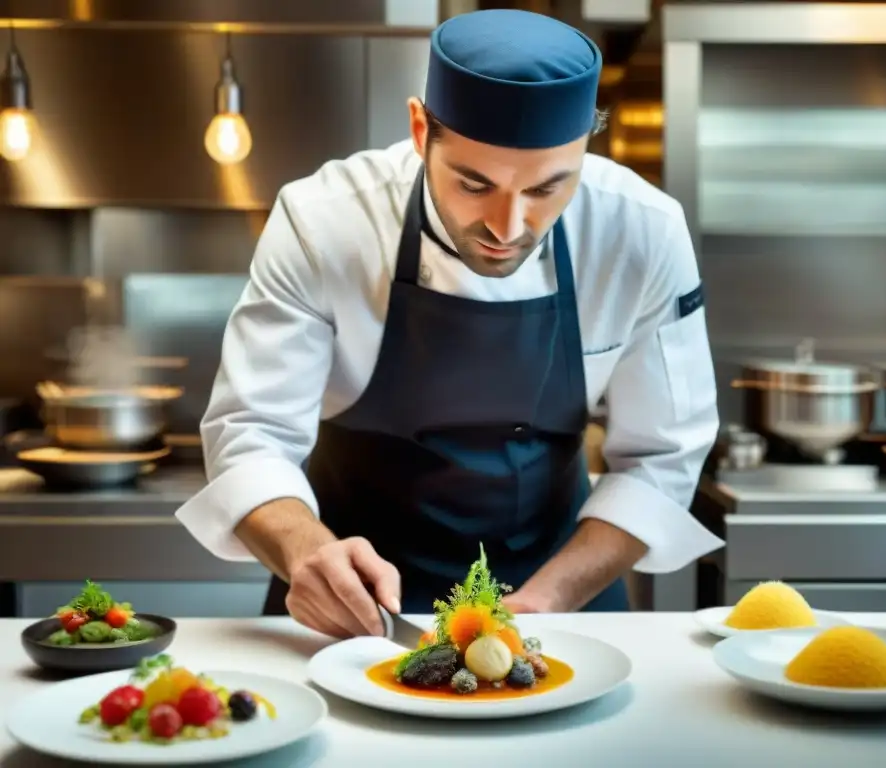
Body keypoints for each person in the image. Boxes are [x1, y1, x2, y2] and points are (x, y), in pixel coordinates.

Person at [175, 8, 723, 639]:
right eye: (474, 183)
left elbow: (663, 457)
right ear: (419, 130)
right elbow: (251, 433)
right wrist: (304, 552)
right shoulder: (324, 220)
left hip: (559, 598)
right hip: (352, 606)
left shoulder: (641, 231)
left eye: (548, 189)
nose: (507, 227)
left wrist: (549, 598)